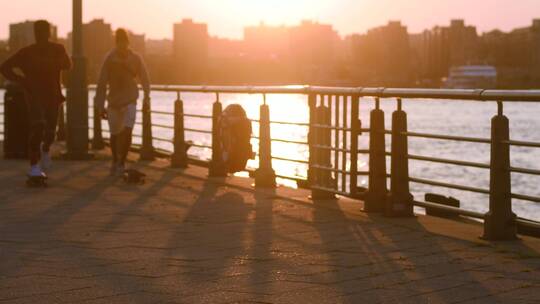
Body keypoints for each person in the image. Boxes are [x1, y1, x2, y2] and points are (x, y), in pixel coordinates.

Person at [0, 20, 71, 178]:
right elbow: (4, 67)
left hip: (53, 95)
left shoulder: (57, 49)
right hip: (34, 95)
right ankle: (34, 165)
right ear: (35, 34)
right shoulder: (27, 52)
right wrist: (21, 80)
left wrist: (56, 63)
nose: (41, 35)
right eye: (38, 32)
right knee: (37, 126)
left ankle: (45, 149)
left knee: (51, 131)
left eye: (44, 32)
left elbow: (68, 65)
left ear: (49, 33)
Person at [95, 28, 150, 176]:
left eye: (124, 42)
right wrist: (100, 106)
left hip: (130, 99)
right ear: (116, 43)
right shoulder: (110, 58)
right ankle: (115, 159)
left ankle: (122, 162)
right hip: (114, 101)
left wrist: (147, 97)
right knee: (114, 133)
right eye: (119, 42)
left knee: (128, 129)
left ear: (128, 42)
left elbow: (144, 77)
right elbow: (102, 82)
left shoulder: (135, 58)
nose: (122, 45)